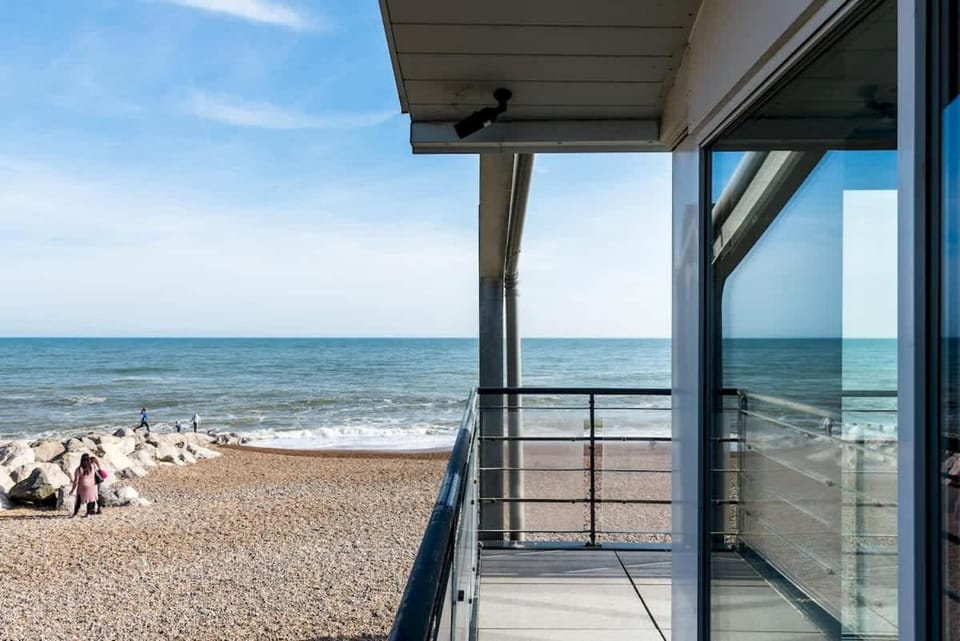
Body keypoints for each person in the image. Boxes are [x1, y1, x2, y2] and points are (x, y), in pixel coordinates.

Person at [69, 453, 100, 518]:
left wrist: (72, 490)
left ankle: (74, 514)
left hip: (83, 486)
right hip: (92, 486)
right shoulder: (92, 466)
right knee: (91, 499)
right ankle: (88, 514)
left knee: (78, 500)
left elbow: (76, 481)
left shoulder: (79, 469)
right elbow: (96, 462)